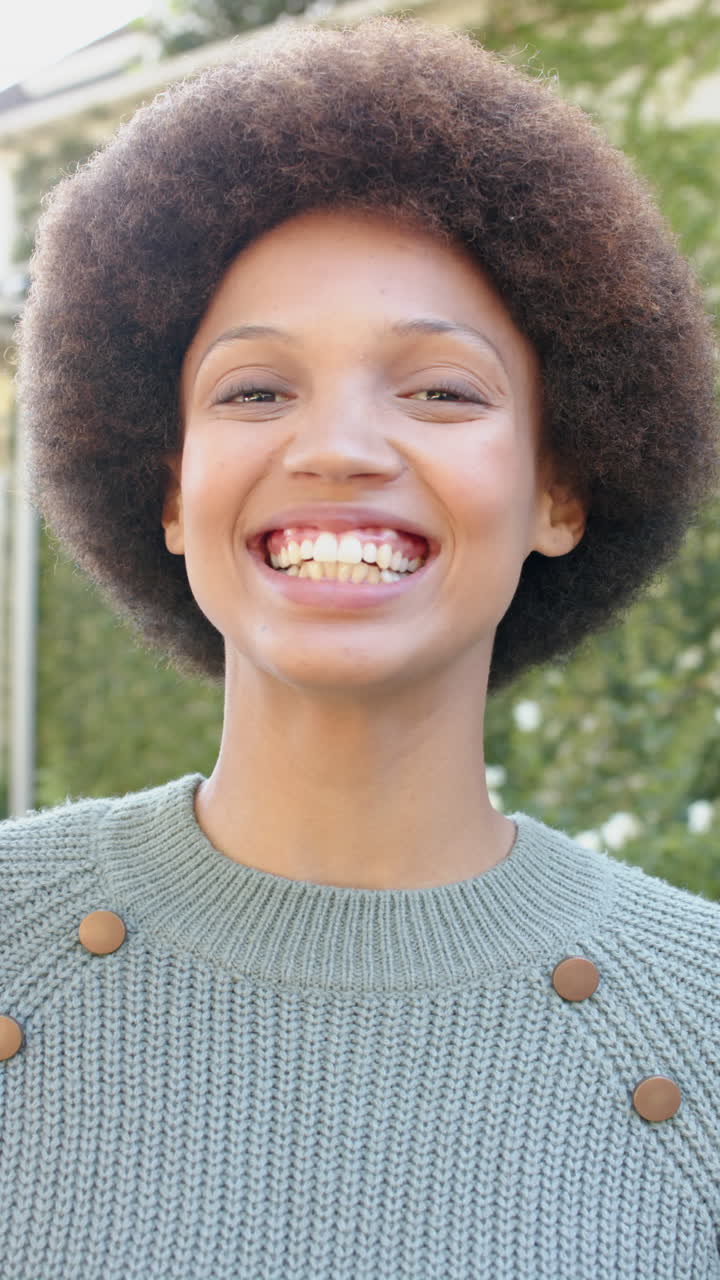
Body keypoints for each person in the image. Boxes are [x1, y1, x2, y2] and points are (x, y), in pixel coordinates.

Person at [1, 16, 718, 1279]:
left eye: (442, 390)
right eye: (254, 390)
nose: (338, 447)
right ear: (168, 487)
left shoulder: (697, 1027)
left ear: (563, 487)